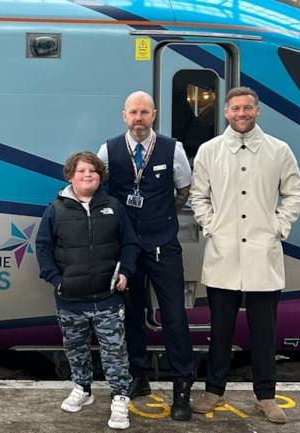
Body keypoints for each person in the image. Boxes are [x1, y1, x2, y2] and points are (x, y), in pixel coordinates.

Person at [189, 87, 300, 424]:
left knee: (264, 332)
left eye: (248, 108)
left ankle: (265, 396)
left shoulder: (278, 151)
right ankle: (214, 390)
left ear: (258, 111)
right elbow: (199, 196)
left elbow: (295, 194)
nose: (242, 113)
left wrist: (277, 228)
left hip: (262, 254)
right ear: (226, 112)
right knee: (220, 330)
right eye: (236, 108)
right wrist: (212, 226)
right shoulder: (209, 151)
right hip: (223, 255)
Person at [97, 90, 194, 421]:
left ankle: (182, 386)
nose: (139, 118)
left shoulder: (172, 148)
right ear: (124, 116)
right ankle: (139, 376)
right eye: (133, 113)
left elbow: (184, 189)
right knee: (131, 315)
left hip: (164, 246)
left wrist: (163, 216)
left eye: (144, 112)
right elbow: (98, 188)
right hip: (127, 248)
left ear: (154, 115)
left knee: (174, 317)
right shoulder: (108, 150)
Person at [36, 151, 140, 430]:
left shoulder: (114, 207)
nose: (87, 175)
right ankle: (83, 389)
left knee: (115, 351)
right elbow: (43, 248)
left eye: (92, 171)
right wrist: (56, 279)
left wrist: (126, 273)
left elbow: (130, 244)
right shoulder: (55, 210)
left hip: (108, 299)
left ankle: (120, 397)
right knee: (75, 349)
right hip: (70, 300)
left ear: (100, 176)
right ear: (71, 175)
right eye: (81, 171)